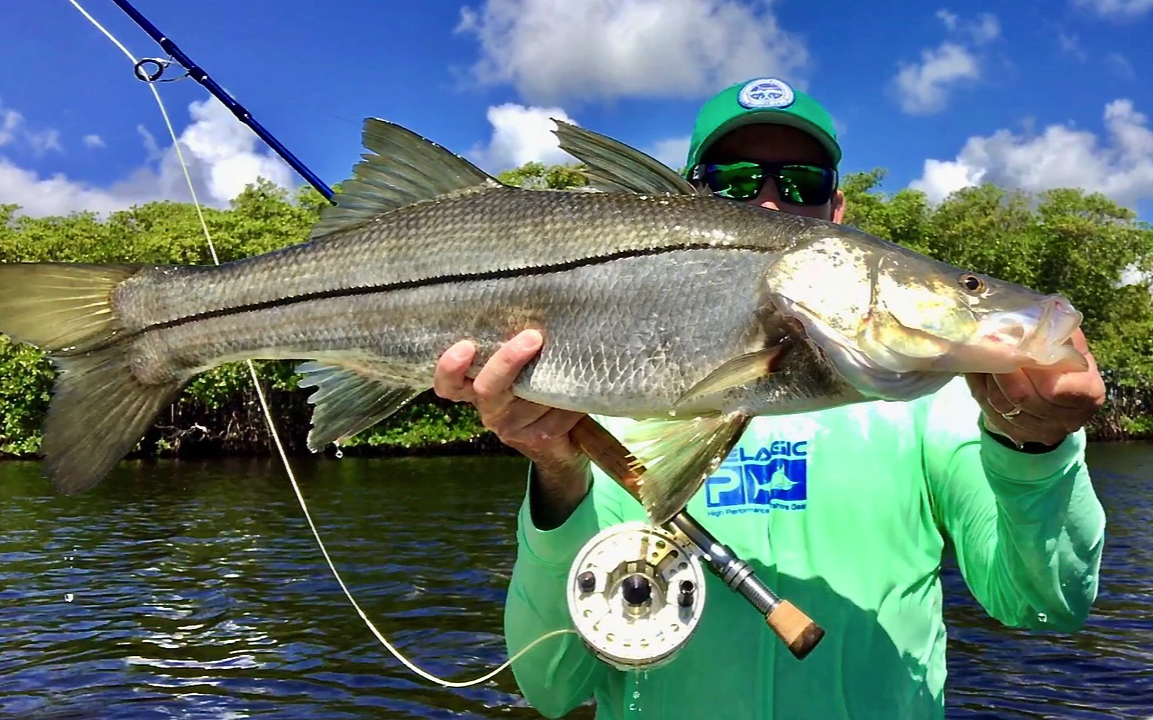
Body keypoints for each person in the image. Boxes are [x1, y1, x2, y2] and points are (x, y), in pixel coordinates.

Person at [432, 77, 1107, 719]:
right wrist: (557, 468)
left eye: (804, 183)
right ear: (686, 199)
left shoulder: (937, 406)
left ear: (838, 216)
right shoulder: (604, 408)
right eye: (733, 182)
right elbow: (550, 686)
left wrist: (1035, 449)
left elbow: (1045, 605)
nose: (770, 203)